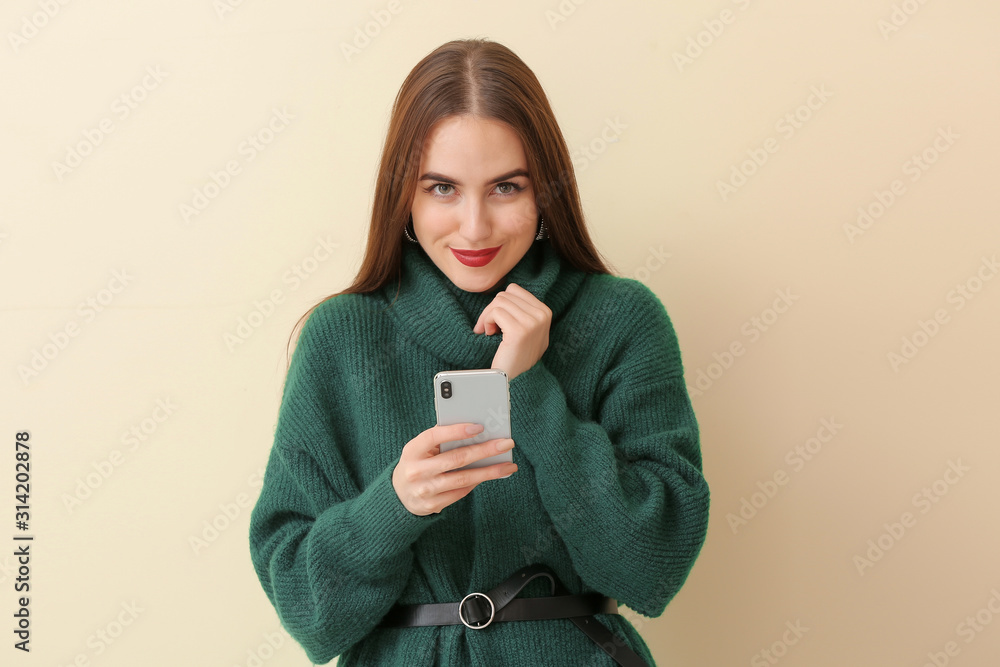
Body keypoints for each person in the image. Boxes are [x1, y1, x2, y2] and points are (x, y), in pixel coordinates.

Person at [248, 38, 710, 666]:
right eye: (442, 188)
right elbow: (307, 611)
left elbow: (651, 570)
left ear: (545, 193)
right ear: (403, 196)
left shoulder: (621, 319)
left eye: (505, 187)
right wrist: (395, 505)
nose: (474, 226)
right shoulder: (341, 335)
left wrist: (529, 388)